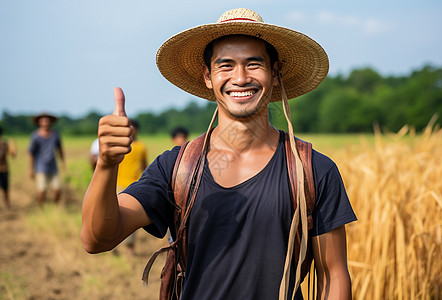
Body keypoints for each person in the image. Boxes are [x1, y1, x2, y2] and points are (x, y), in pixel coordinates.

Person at [81, 8, 357, 300]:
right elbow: (96, 239)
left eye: (254, 64)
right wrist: (107, 165)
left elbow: (333, 275)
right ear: (208, 76)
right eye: (225, 65)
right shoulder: (175, 168)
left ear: (274, 74)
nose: (240, 78)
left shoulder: (312, 171)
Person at [116, 119, 148, 255]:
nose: (131, 130)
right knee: (115, 216)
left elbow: (145, 165)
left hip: (136, 185)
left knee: (131, 218)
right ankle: (114, 245)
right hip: (119, 184)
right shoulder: (119, 145)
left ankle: (130, 248)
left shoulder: (141, 147)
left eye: (133, 127)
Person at [29, 113, 65, 207]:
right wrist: (31, 169)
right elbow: (31, 154)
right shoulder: (35, 136)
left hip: (53, 167)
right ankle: (41, 208)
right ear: (39, 122)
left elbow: (60, 149)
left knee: (57, 189)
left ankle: (55, 208)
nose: (46, 122)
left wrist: (63, 162)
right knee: (42, 190)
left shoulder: (55, 135)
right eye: (43, 120)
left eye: (47, 120)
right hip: (41, 167)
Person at [0, 126, 16, 209]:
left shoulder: (5, 144)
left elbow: (13, 155)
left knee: (5, 188)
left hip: (4, 169)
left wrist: (13, 145)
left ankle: (7, 204)